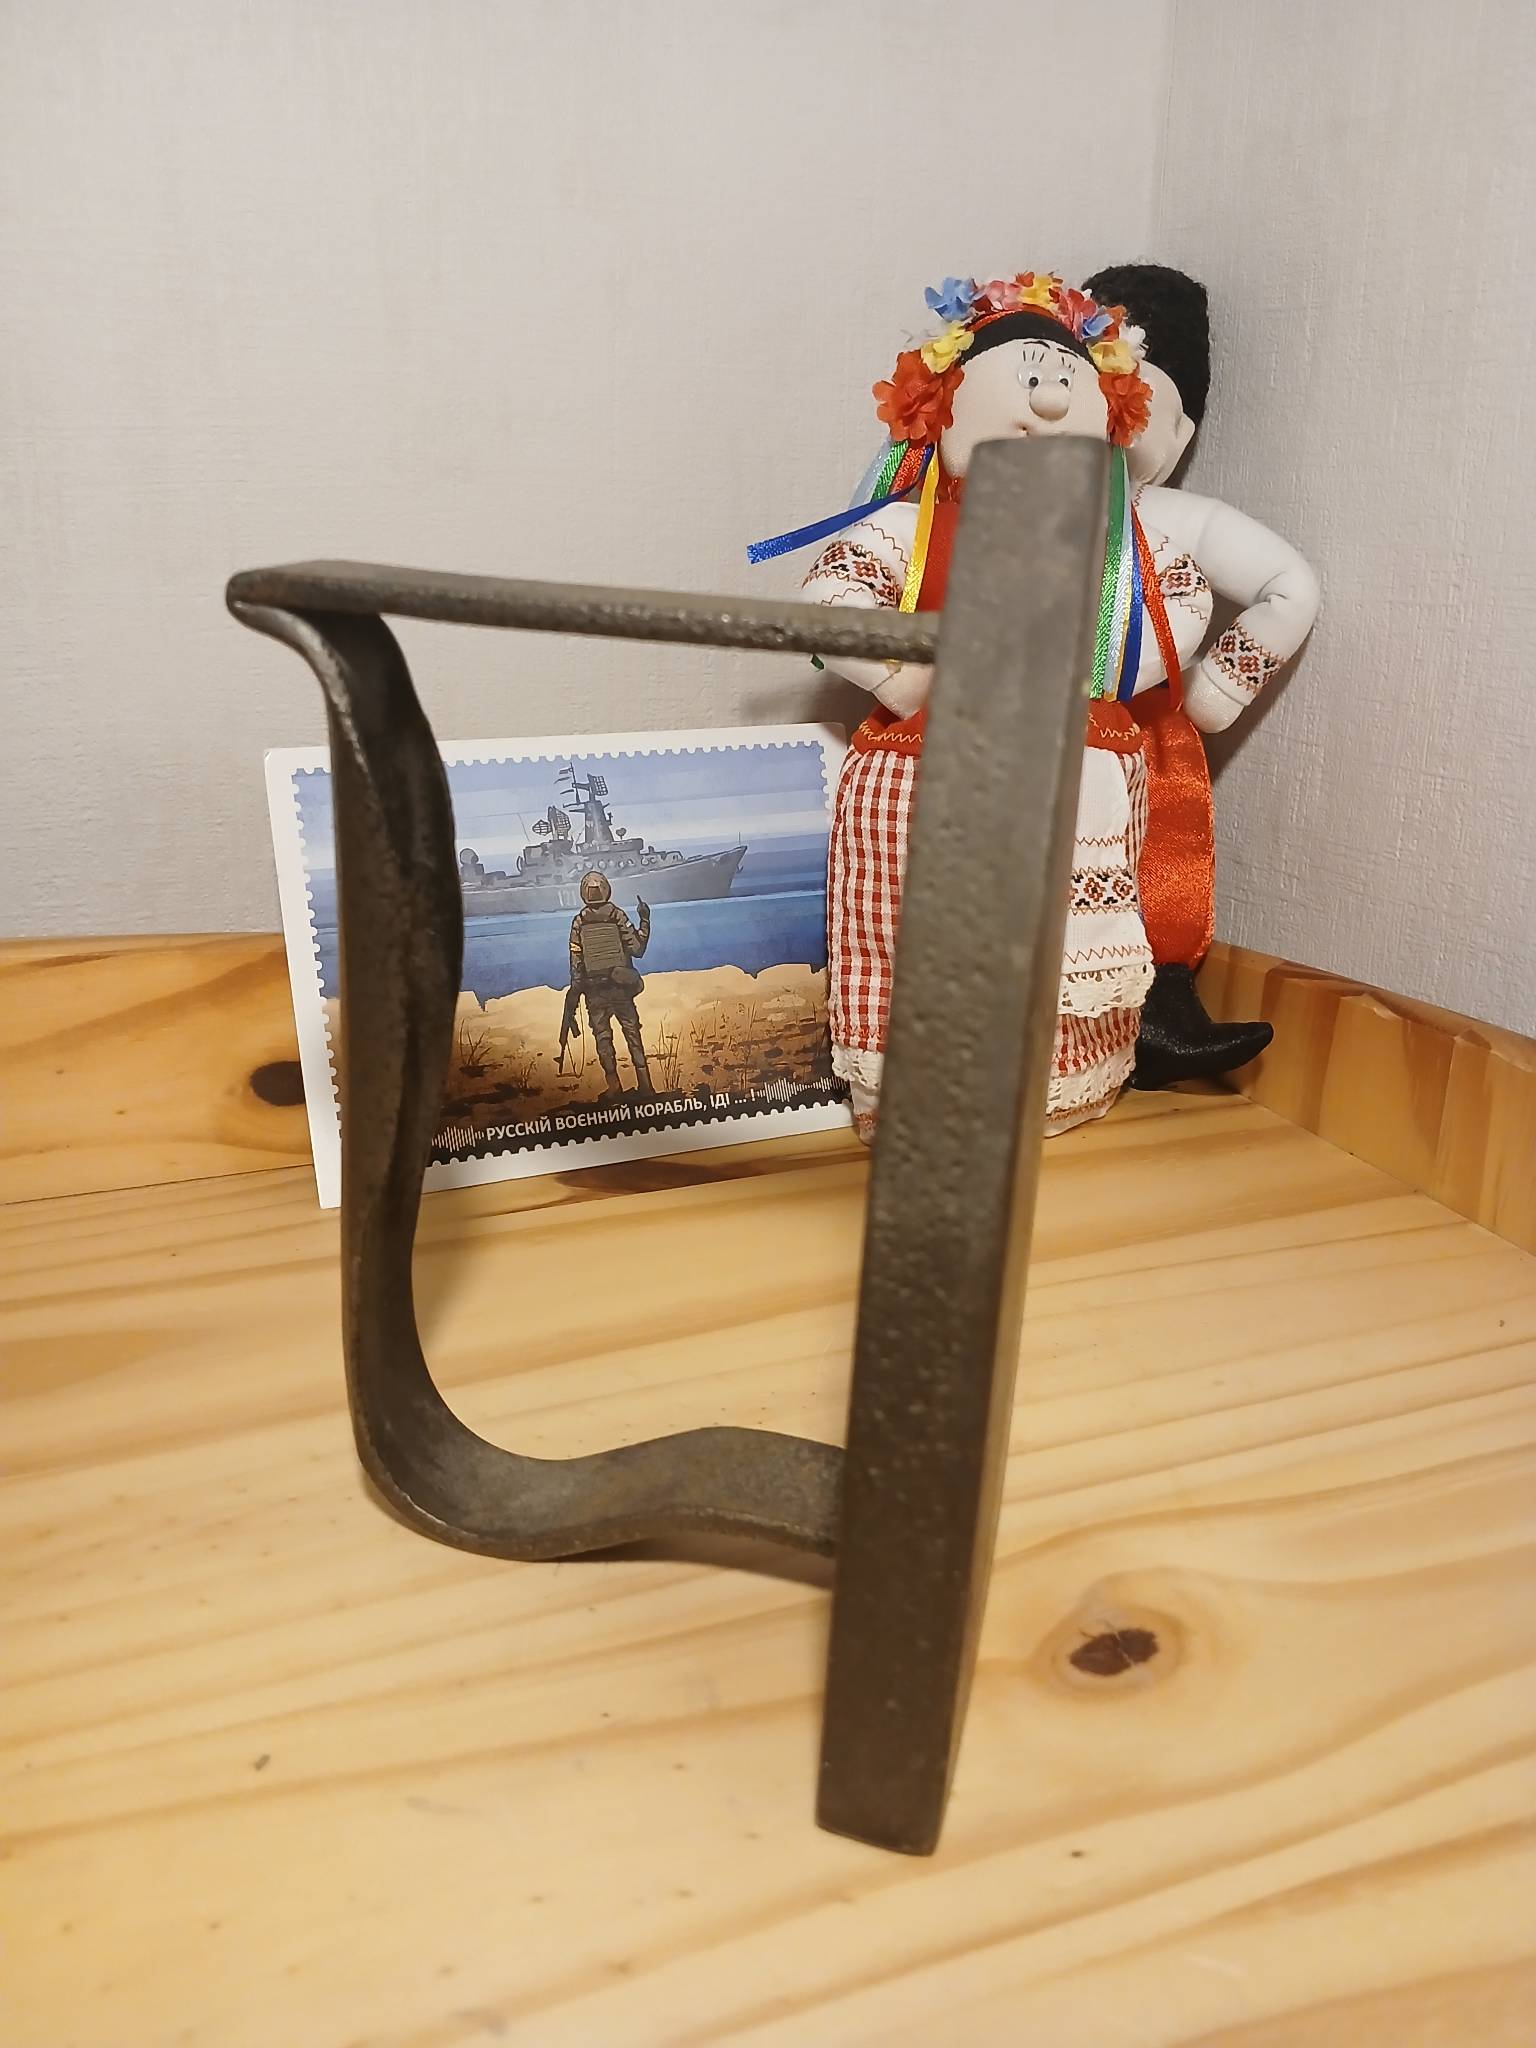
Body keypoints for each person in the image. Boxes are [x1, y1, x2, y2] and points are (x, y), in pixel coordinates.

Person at [754, 271, 1167, 1139]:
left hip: (1078, 756)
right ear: (941, 408)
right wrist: (902, 678)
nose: (1050, 402)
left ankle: (1065, 1082)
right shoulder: (911, 528)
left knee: (1059, 937)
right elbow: (825, 604)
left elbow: (1173, 604)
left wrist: (1148, 672)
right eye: (1030, 378)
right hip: (935, 760)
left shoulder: (1111, 541)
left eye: (1070, 383)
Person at [1083, 262, 1321, 1086]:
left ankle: (1159, 1011)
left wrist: (1218, 690)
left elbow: (1288, 586)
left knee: (1157, 860)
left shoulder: (1174, 517)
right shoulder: (996, 505)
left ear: (1180, 432)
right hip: (1011, 720)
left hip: (1140, 728)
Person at [568, 871, 653, 1101]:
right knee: (633, 1034)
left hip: (594, 992)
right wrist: (645, 920)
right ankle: (645, 1085)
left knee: (602, 1038)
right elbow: (637, 949)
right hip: (620, 988)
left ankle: (614, 1087)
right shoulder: (617, 915)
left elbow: (576, 962)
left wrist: (577, 991)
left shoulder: (579, 921)